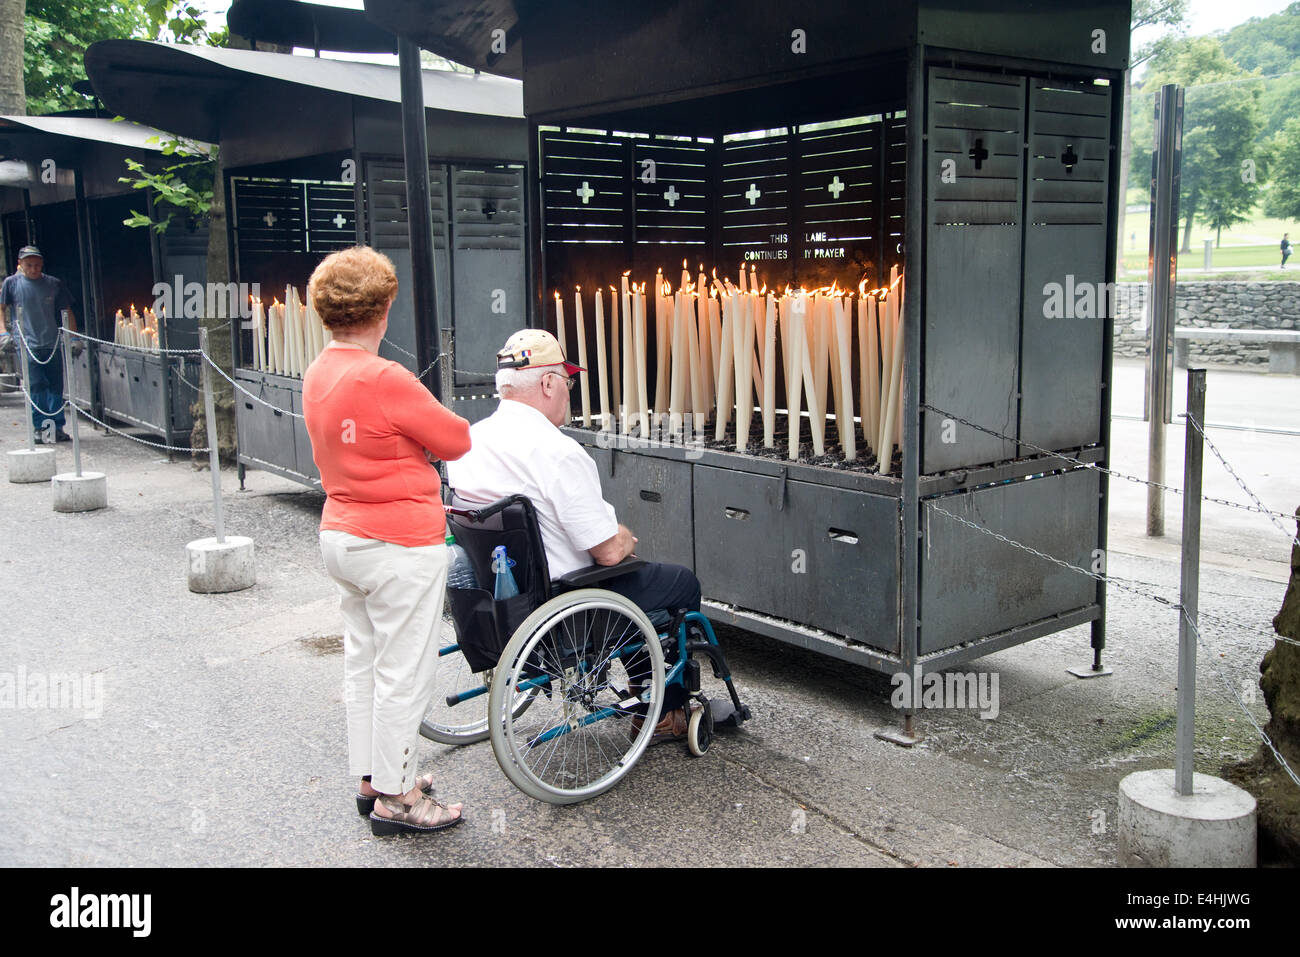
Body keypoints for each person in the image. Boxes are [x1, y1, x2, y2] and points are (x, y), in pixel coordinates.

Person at [446, 328, 700, 740]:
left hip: (503, 599)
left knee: (634, 579)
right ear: (547, 383)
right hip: (566, 602)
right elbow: (606, 552)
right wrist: (623, 537)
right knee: (677, 583)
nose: (569, 391)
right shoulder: (557, 451)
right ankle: (666, 711)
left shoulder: (470, 441)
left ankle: (644, 691)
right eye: (567, 382)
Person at [302, 246, 473, 835]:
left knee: (365, 664)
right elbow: (455, 440)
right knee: (406, 671)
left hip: (342, 535)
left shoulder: (319, 369)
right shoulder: (383, 376)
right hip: (398, 543)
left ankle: (373, 776)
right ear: (385, 306)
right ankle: (398, 800)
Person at [0, 246, 78, 442]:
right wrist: (3, 331)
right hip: (26, 343)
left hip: (50, 342)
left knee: (55, 385)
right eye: (29, 265)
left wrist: (74, 337)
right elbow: (1, 308)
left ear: (41, 264)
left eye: (36, 265)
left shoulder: (53, 284)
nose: (33, 269)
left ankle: (55, 427)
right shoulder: (11, 284)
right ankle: (40, 426)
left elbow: (66, 311)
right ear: (21, 265)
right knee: (36, 386)